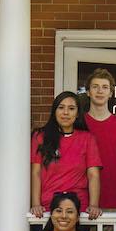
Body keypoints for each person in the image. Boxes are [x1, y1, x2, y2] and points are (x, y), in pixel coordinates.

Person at [30, 91, 103, 220]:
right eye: (61, 107)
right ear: (54, 111)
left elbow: (93, 175)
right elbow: (36, 173)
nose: (65, 113)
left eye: (71, 108)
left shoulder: (87, 139)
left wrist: (94, 205)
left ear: (77, 113)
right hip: (47, 209)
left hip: (78, 209)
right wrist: (36, 204)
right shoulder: (40, 137)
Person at [84, 68, 116, 211]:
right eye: (95, 87)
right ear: (88, 92)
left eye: (105, 87)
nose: (100, 91)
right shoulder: (79, 124)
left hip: (114, 200)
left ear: (111, 93)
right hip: (80, 202)